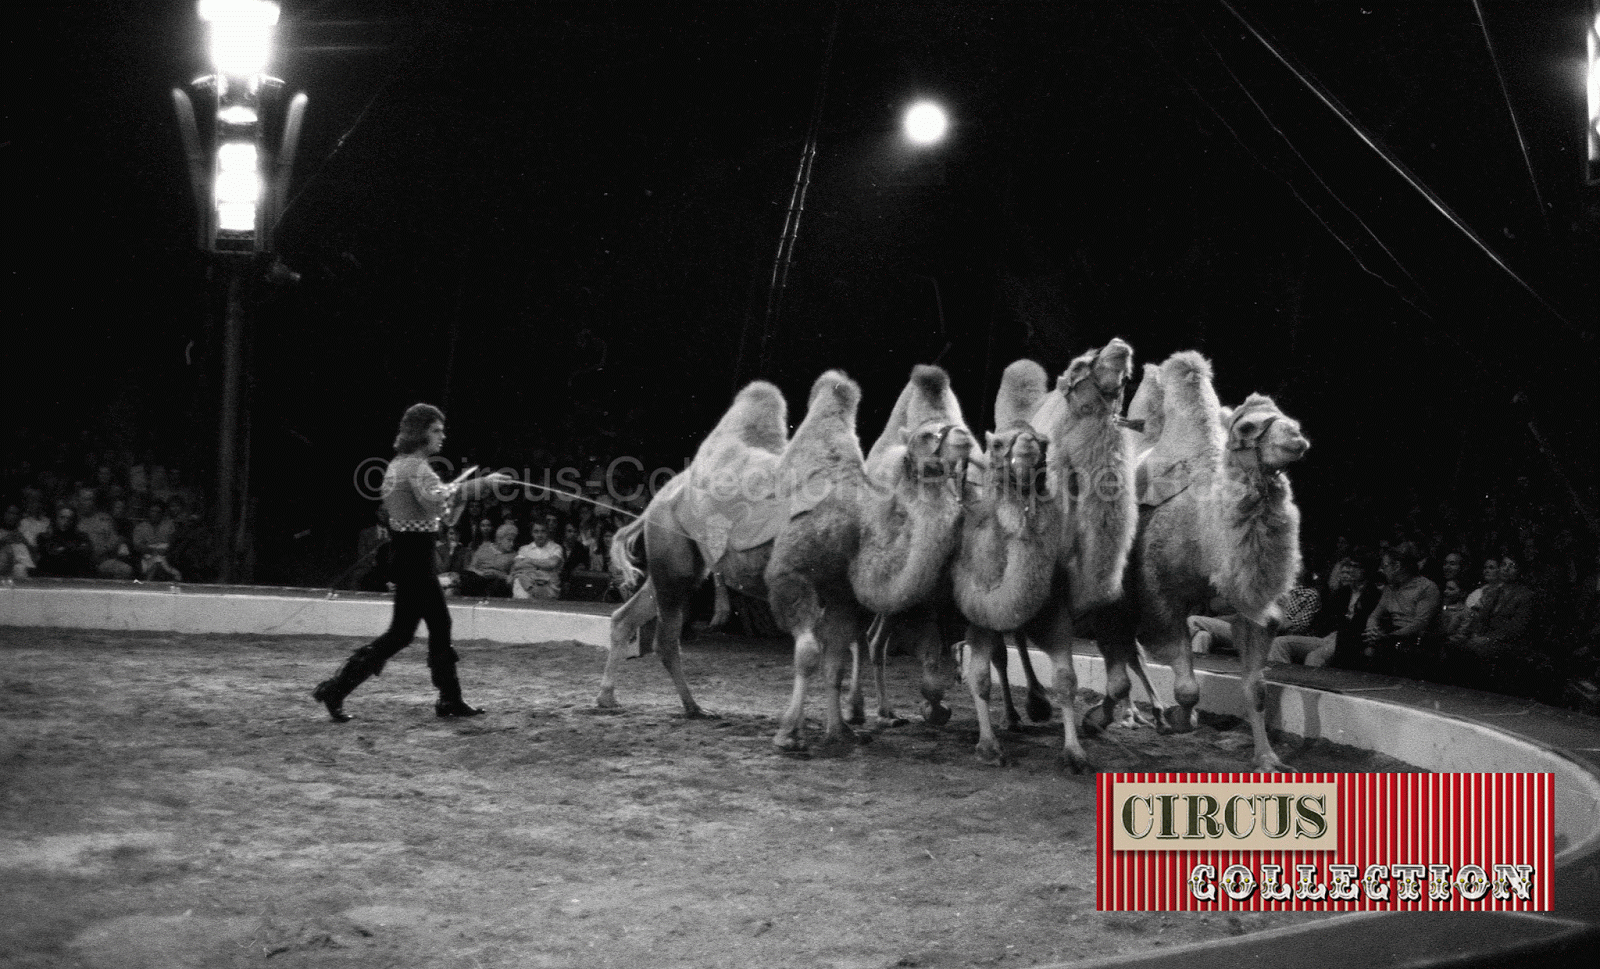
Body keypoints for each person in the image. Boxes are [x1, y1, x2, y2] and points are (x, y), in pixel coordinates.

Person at [311, 404, 511, 723]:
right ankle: (339, 689)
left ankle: (447, 698)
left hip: (409, 556)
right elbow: (438, 502)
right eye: (436, 430)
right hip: (415, 560)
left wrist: (459, 494)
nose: (442, 436)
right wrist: (482, 485)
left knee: (423, 628)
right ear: (420, 433)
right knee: (405, 633)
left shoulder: (400, 465)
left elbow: (440, 512)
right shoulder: (416, 469)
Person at [1361, 541, 1442, 679]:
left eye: (1385, 566)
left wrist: (1388, 637)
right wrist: (1372, 632)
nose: (1381, 570)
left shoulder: (1427, 587)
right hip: (1389, 635)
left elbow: (1420, 623)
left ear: (1397, 566)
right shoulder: (1390, 588)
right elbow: (1374, 616)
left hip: (1412, 639)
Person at [34, 504, 97, 579]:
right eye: (62, 517)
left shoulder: (82, 537)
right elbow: (50, 556)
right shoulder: (44, 537)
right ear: (55, 518)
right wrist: (72, 549)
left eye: (69, 518)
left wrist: (63, 549)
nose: (65, 521)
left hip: (76, 578)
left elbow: (85, 555)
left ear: (74, 521)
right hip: (50, 578)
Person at [460, 522, 518, 597]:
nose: (512, 544)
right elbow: (471, 567)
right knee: (467, 576)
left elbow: (510, 579)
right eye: (509, 540)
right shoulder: (484, 547)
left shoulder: (514, 556)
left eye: (513, 541)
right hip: (479, 577)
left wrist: (497, 574)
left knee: (498, 585)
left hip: (497, 582)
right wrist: (481, 573)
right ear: (499, 539)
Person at [510, 521, 565, 599]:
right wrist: (542, 566)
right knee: (519, 580)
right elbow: (517, 565)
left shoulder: (556, 548)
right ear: (532, 533)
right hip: (527, 584)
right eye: (536, 531)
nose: (540, 535)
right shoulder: (524, 549)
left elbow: (552, 563)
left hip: (548, 586)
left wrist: (529, 561)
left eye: (543, 531)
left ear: (548, 532)